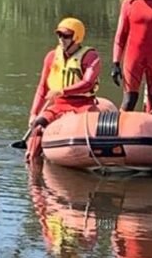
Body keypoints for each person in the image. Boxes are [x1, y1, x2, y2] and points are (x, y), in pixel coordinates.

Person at [26, 17, 101, 162]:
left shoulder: (91, 57)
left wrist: (62, 91)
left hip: (83, 103)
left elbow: (87, 83)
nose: (62, 39)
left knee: (90, 128)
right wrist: (34, 113)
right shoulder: (52, 57)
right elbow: (42, 87)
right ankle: (32, 164)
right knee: (38, 125)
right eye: (59, 35)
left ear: (77, 37)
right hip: (59, 104)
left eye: (66, 36)